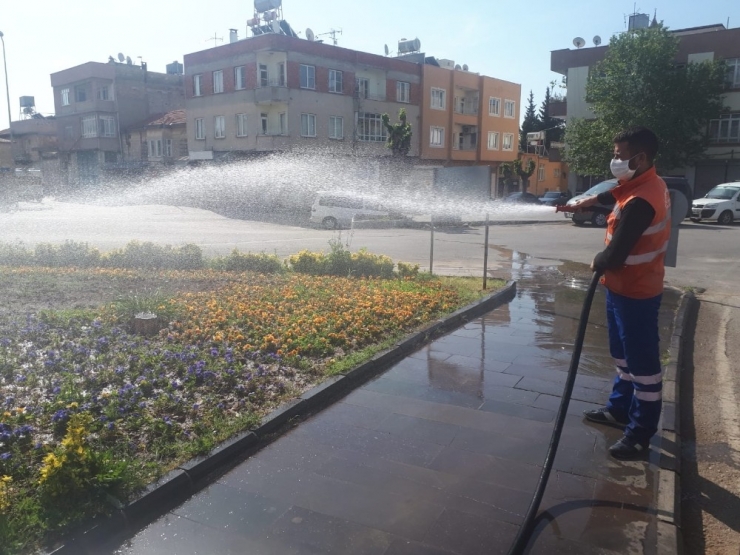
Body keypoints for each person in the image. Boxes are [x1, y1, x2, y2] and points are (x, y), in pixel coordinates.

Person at [571, 126, 671, 460]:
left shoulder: (643, 200)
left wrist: (598, 260)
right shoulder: (642, 184)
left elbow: (615, 255)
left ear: (639, 158)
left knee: (643, 367)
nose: (614, 160)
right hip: (620, 289)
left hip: (637, 293)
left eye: (618, 155)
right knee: (623, 359)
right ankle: (619, 410)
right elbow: (615, 193)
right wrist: (586, 202)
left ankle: (640, 434)